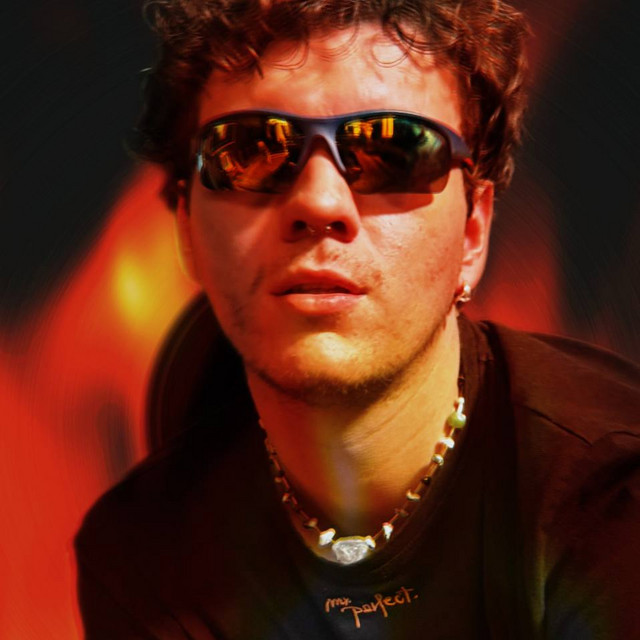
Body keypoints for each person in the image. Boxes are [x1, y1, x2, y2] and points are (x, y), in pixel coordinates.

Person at [74, 0, 640, 637]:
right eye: (251, 149)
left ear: (473, 232)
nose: (319, 203)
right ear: (187, 232)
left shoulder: (614, 501)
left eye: (395, 149)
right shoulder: (140, 554)